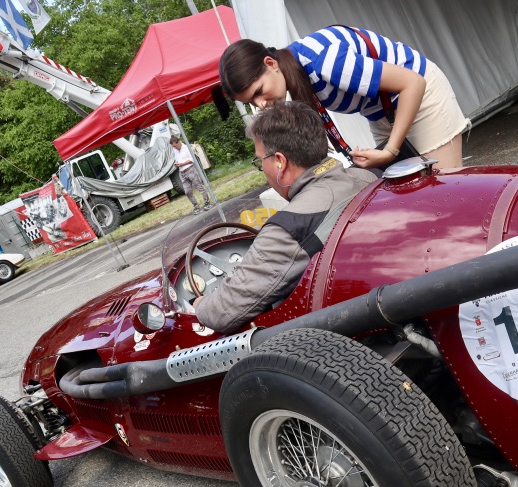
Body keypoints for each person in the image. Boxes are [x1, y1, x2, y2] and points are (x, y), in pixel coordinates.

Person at [193, 101, 375, 334]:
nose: (263, 170)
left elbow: (221, 313)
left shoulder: (288, 228)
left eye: (260, 161)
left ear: (280, 161)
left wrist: (199, 305)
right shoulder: (366, 177)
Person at [218, 26, 468, 170]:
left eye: (258, 92)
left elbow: (413, 83)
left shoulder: (325, 61)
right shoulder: (294, 72)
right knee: (413, 193)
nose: (260, 105)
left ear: (270, 63)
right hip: (383, 113)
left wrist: (391, 150)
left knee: (446, 189)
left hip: (420, 96)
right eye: (251, 102)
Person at [170, 136, 212, 213]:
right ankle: (196, 207)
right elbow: (177, 159)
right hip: (182, 173)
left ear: (178, 142)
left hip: (190, 170)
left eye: (175, 146)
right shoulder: (175, 150)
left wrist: (182, 163)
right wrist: (176, 164)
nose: (174, 148)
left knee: (199, 187)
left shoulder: (186, 148)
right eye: (173, 147)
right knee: (187, 191)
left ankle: (207, 203)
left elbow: (192, 159)